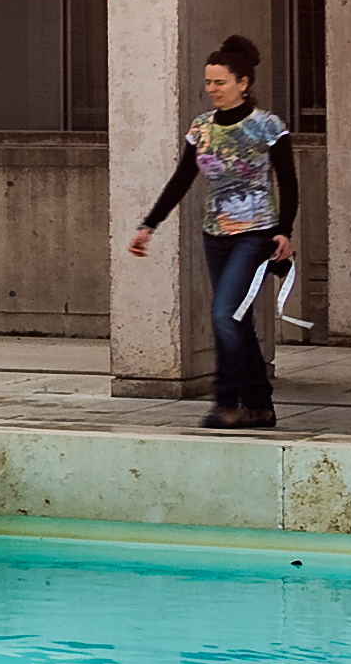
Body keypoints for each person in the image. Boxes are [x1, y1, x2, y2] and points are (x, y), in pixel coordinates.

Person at [127, 35, 302, 430]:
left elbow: (289, 185)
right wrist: (148, 226)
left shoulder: (267, 126)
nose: (212, 90)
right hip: (215, 236)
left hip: (255, 236)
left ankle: (227, 402)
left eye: (220, 82)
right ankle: (259, 406)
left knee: (224, 314)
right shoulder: (201, 128)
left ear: (243, 82)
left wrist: (284, 232)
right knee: (237, 320)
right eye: (208, 82)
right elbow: (181, 179)